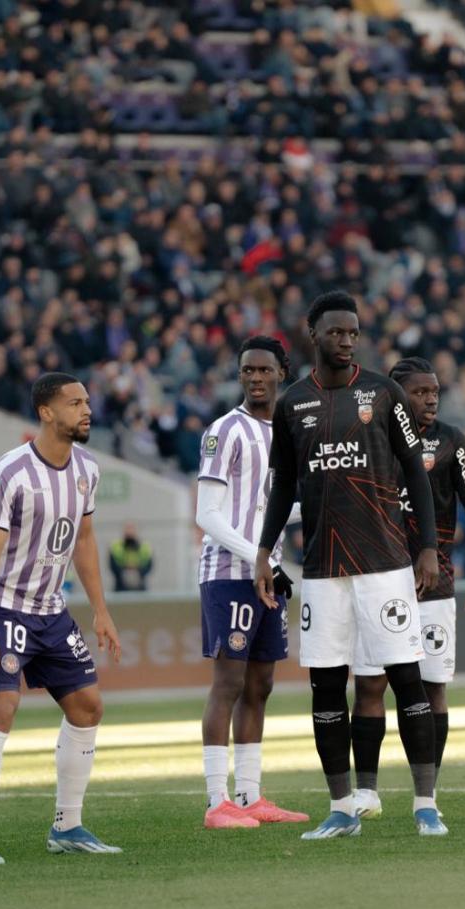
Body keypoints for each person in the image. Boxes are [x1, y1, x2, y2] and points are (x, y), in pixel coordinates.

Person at [254, 290, 445, 839]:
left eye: (353, 333)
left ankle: (425, 804)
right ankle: (341, 809)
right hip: (322, 570)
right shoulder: (292, 405)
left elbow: (415, 472)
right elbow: (283, 487)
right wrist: (265, 552)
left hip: (384, 563)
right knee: (325, 687)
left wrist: (426, 546)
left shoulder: (383, 393)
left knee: (407, 678)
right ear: (313, 334)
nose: (346, 341)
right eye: (336, 332)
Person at [0, 372, 122, 864]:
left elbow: (85, 543)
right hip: (6, 607)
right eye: (74, 403)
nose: (86, 410)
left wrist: (101, 611)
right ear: (47, 413)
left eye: (87, 402)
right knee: (1, 709)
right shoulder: (9, 472)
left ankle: (67, 827)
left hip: (52, 610)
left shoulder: (88, 469)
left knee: (89, 706)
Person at [350, 357, 465, 820]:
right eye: (419, 392)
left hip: (435, 585)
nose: (430, 399)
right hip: (379, 579)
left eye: (435, 392)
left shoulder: (451, 442)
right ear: (395, 394)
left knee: (433, 689)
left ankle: (426, 795)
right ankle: (366, 791)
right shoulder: (370, 440)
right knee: (370, 684)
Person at [195, 337, 308, 830]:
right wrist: (258, 559)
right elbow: (208, 515)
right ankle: (217, 800)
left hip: (268, 574)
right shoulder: (225, 431)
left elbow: (274, 510)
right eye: (247, 371)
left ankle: (251, 796)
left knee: (261, 685)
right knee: (229, 683)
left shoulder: (287, 435)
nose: (255, 378)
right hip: (229, 575)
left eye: (264, 370)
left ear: (282, 372)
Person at [108, 523, 153, 592]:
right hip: (120, 587)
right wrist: (125, 569)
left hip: (140, 587)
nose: (129, 531)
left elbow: (149, 566)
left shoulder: (144, 547)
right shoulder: (116, 547)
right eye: (128, 529)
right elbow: (113, 566)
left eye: (131, 529)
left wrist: (138, 570)